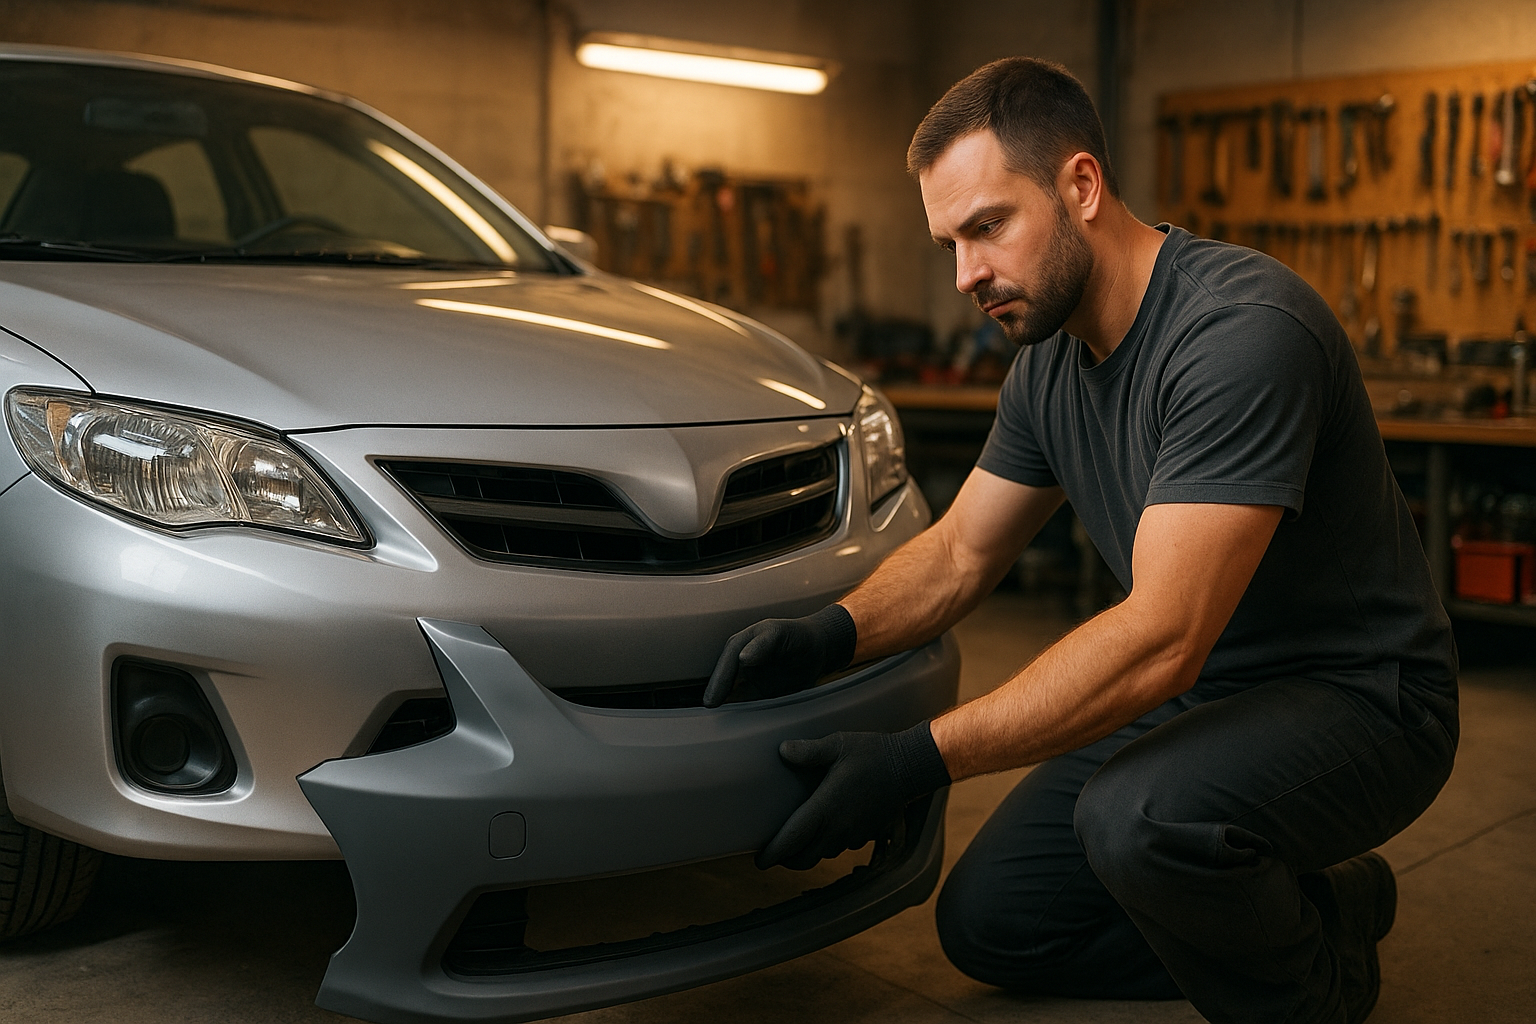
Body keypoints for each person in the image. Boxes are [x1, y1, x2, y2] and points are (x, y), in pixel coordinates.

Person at [704, 57, 1458, 1024]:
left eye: (988, 226)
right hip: (1208, 692)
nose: (967, 274)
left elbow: (1162, 636)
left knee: (1139, 820)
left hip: (1364, 700)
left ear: (1082, 186)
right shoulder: (1051, 362)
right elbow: (961, 554)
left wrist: (915, 757)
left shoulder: (1239, 333)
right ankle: (1317, 903)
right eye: (949, 243)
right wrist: (828, 634)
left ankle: (1321, 986)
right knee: (995, 925)